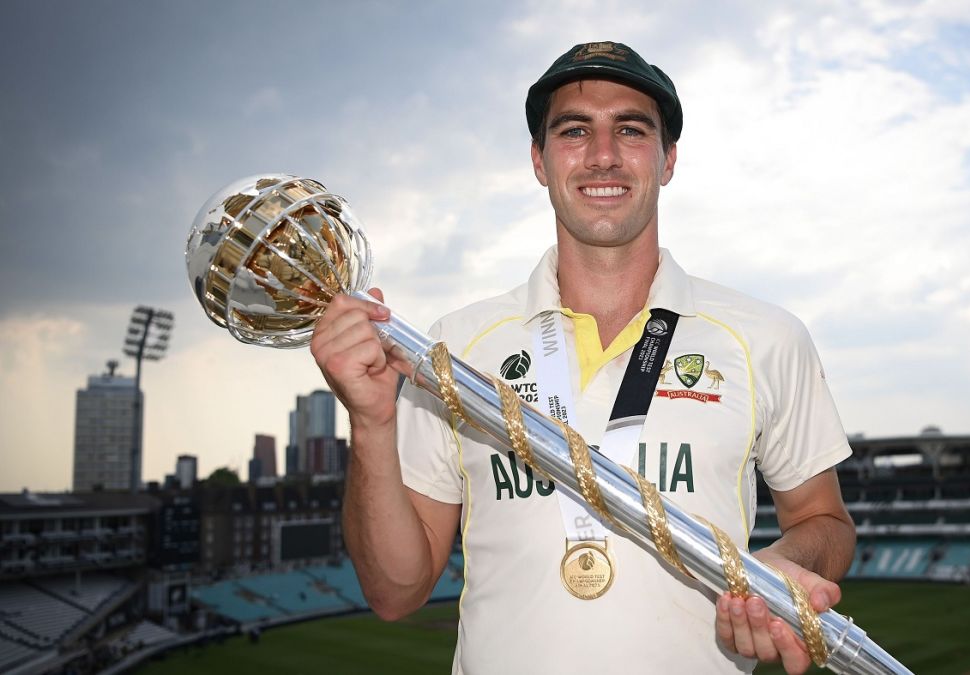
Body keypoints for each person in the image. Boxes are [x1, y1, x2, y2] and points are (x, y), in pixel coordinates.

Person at [311, 41, 856, 674]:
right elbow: (395, 592)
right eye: (575, 131)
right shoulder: (454, 347)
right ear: (539, 161)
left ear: (668, 158)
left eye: (631, 129)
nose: (603, 156)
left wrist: (785, 562)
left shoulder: (765, 336)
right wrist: (371, 422)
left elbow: (826, 522)